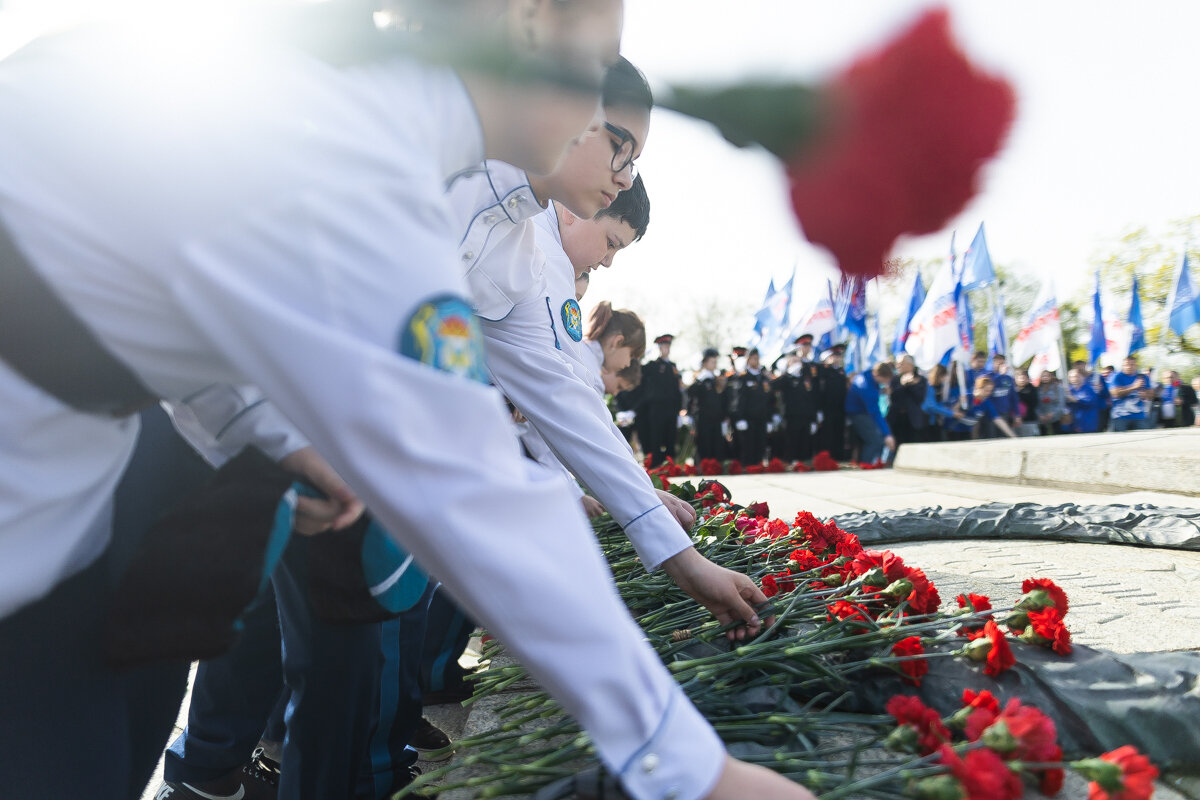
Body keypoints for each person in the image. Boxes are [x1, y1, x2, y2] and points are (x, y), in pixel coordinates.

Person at [0, 6, 811, 800]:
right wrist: (699, 771)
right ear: (531, 24)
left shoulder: (373, 132)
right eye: (603, 69)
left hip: (78, 479)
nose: (611, 124)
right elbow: (472, 486)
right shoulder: (360, 156)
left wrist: (266, 430)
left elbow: (155, 285)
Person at [638, 334, 684, 466]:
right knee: (656, 437)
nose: (667, 349)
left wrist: (679, 409)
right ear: (659, 348)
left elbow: (678, 390)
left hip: (671, 408)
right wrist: (643, 356)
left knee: (671, 437)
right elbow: (641, 374)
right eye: (664, 346)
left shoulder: (673, 366)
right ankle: (656, 464)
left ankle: (670, 465)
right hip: (657, 408)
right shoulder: (653, 365)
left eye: (668, 346)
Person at [582, 301, 645, 396]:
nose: (628, 364)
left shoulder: (578, 349)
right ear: (617, 342)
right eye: (631, 355)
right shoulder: (592, 380)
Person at [772, 351, 822, 462]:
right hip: (791, 417)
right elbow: (773, 386)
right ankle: (790, 463)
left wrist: (814, 418)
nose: (797, 364)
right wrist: (786, 373)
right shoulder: (786, 378)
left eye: (798, 361)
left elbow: (812, 399)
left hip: (806, 416)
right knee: (791, 442)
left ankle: (803, 463)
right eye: (793, 361)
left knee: (805, 443)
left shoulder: (806, 378)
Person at [845, 363, 896, 463]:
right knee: (875, 441)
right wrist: (887, 434)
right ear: (878, 376)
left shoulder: (867, 375)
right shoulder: (867, 387)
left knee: (876, 438)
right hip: (858, 414)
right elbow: (875, 413)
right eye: (886, 380)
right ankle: (867, 465)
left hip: (862, 411)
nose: (887, 383)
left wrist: (880, 390)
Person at [730, 347, 772, 466]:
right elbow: (739, 399)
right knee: (748, 445)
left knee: (761, 444)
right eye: (753, 358)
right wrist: (739, 417)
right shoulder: (743, 377)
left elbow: (768, 399)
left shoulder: (763, 378)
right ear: (748, 360)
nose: (756, 361)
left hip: (761, 417)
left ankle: (758, 466)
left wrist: (769, 418)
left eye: (758, 358)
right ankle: (748, 467)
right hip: (748, 418)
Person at [688, 348, 729, 463]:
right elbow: (691, 396)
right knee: (705, 444)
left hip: (716, 418)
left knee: (717, 445)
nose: (714, 364)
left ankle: (715, 466)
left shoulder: (716, 379)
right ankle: (705, 467)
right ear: (705, 363)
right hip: (704, 418)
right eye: (712, 361)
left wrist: (725, 417)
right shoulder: (701, 379)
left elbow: (723, 400)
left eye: (715, 361)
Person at [886, 354, 929, 446]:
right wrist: (903, 385)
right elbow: (893, 396)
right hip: (896, 420)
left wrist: (912, 385)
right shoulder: (894, 379)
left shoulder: (921, 380)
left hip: (913, 421)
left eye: (901, 364)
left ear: (910, 365)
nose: (898, 366)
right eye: (897, 364)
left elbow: (920, 398)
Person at [816, 344, 849, 459]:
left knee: (839, 434)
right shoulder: (823, 371)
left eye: (839, 356)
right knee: (827, 435)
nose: (837, 358)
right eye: (834, 355)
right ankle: (826, 458)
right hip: (827, 409)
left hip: (839, 409)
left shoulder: (841, 372)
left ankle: (838, 458)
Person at [1107, 356, 1152, 431]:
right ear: (1122, 366)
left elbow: (1151, 395)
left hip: (1139, 416)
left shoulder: (1142, 377)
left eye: (1132, 365)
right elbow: (1115, 393)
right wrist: (1133, 387)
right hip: (1120, 416)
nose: (1129, 367)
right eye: (1126, 365)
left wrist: (1145, 394)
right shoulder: (1116, 377)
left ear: (1136, 365)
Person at [1065, 367, 1102, 434]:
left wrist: (1074, 399)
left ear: (1082, 377)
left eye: (1076, 376)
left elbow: (1090, 401)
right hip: (1074, 423)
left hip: (1088, 423)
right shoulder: (1069, 390)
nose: (1074, 379)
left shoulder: (1089, 389)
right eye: (1071, 377)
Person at [1035, 369, 1068, 435]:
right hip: (1042, 419)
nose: (1045, 378)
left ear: (1051, 377)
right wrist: (1039, 415)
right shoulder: (1037, 390)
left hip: (1056, 419)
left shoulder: (1058, 388)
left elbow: (1061, 404)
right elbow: (1035, 404)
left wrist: (1053, 413)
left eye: (1047, 376)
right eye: (1043, 376)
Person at [1013, 368, 1041, 436]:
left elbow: (1034, 403)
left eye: (1024, 378)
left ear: (1028, 379)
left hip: (1029, 421)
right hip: (1014, 421)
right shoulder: (1012, 390)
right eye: (1019, 378)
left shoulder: (1032, 389)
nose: (1022, 380)